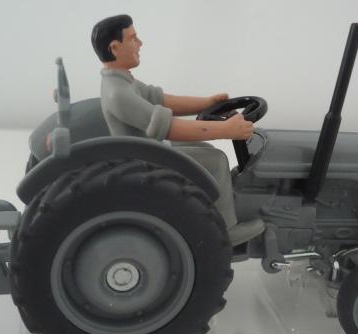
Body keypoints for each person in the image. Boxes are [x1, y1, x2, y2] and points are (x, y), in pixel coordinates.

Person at [91, 14, 264, 246]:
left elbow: (161, 99)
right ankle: (227, 229)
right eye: (133, 39)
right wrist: (225, 129)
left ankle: (218, 200)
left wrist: (206, 103)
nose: (140, 43)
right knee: (216, 160)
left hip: (147, 148)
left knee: (204, 148)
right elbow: (170, 128)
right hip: (144, 160)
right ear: (114, 47)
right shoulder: (118, 93)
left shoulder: (122, 81)